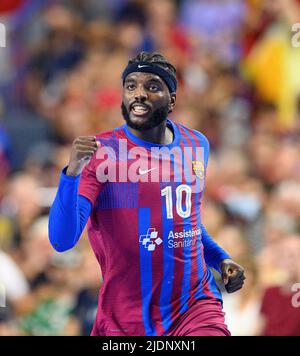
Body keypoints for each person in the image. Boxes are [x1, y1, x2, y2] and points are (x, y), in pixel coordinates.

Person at [48, 51, 245, 336]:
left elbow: (185, 220)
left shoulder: (196, 144)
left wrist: (221, 258)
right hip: (126, 320)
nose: (138, 94)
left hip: (194, 307)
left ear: (172, 99)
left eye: (151, 86)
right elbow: (61, 240)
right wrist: (71, 174)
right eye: (131, 86)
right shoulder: (102, 153)